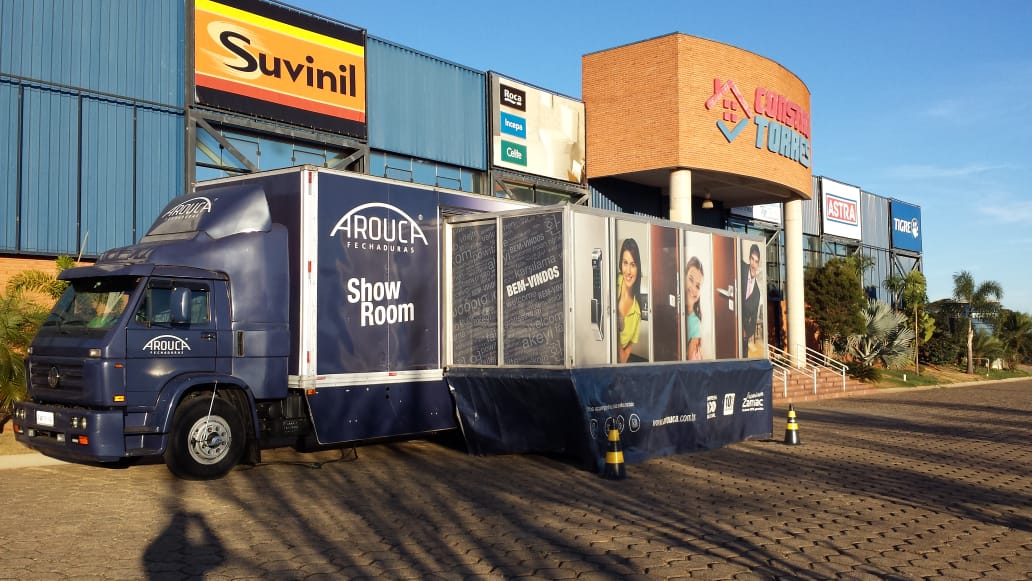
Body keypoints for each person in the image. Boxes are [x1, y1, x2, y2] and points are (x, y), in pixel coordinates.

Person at [616, 238, 642, 363]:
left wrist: (614, 332)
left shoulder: (637, 313)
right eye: (625, 263)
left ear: (638, 268)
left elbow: (623, 358)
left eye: (633, 265)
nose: (628, 271)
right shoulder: (611, 282)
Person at [741, 243, 762, 356]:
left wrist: (745, 334)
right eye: (752, 260)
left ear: (758, 264)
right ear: (749, 259)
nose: (753, 264)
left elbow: (753, 321)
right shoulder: (741, 268)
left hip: (743, 338)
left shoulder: (757, 294)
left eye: (756, 261)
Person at [684, 256, 704, 360]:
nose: (693, 288)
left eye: (697, 286)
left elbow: (690, 360)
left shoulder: (695, 322)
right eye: (690, 280)